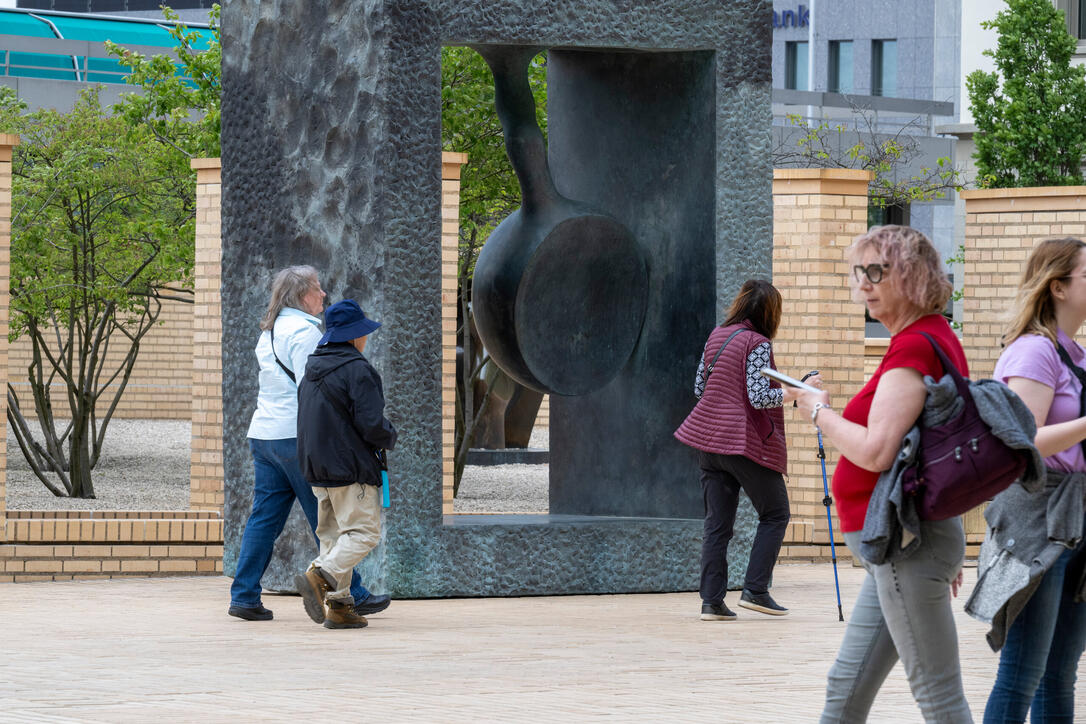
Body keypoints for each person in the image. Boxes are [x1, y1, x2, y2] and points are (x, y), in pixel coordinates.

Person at [793, 225, 973, 722]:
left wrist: (817, 411)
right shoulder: (929, 338)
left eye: (877, 271)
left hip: (904, 543)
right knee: (846, 687)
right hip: (898, 544)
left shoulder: (914, 347)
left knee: (938, 695)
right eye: (860, 272)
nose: (864, 284)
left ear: (912, 276)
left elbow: (876, 452)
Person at [228, 267, 390, 622]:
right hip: (296, 436)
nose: (323, 295)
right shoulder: (304, 333)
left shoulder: (270, 330)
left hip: (264, 434)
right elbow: (316, 389)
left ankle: (244, 595)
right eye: (318, 289)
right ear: (303, 295)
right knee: (330, 517)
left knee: (263, 519)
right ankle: (348, 593)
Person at [968, 237, 1086, 723]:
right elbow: (1025, 440)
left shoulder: (1075, 353)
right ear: (1058, 286)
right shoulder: (1035, 352)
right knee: (1021, 674)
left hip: (1074, 517)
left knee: (1059, 675)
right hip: (1036, 518)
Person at [675, 279, 813, 621]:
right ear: (769, 313)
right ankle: (755, 590)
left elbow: (699, 388)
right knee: (776, 513)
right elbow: (758, 397)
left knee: (717, 524)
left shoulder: (717, 336)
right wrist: (798, 392)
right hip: (741, 442)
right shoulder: (758, 342)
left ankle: (712, 603)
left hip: (709, 443)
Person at [294, 299, 397, 630]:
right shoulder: (358, 370)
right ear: (354, 336)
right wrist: (389, 435)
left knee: (333, 536)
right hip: (350, 467)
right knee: (364, 532)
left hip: (316, 467)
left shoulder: (311, 371)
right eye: (363, 333)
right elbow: (371, 424)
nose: (365, 339)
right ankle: (320, 575)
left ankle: (339, 607)